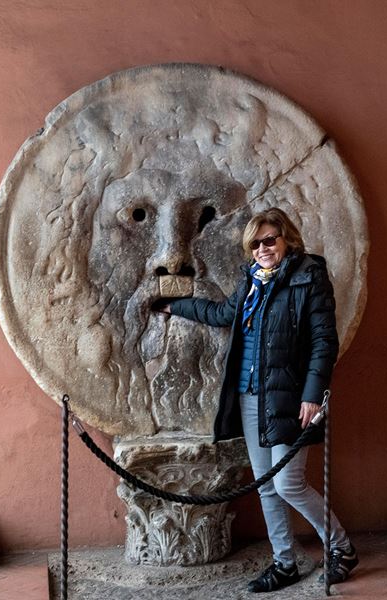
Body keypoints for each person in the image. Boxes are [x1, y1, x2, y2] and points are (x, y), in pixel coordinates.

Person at [154, 207, 358, 592]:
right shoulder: (251, 281)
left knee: (288, 483)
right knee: (266, 484)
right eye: (255, 243)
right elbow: (221, 313)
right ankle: (284, 562)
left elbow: (322, 343)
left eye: (270, 240)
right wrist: (174, 305)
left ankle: (341, 547)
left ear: (287, 240)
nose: (263, 248)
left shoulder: (309, 277)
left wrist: (313, 396)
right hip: (250, 395)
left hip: (289, 398)